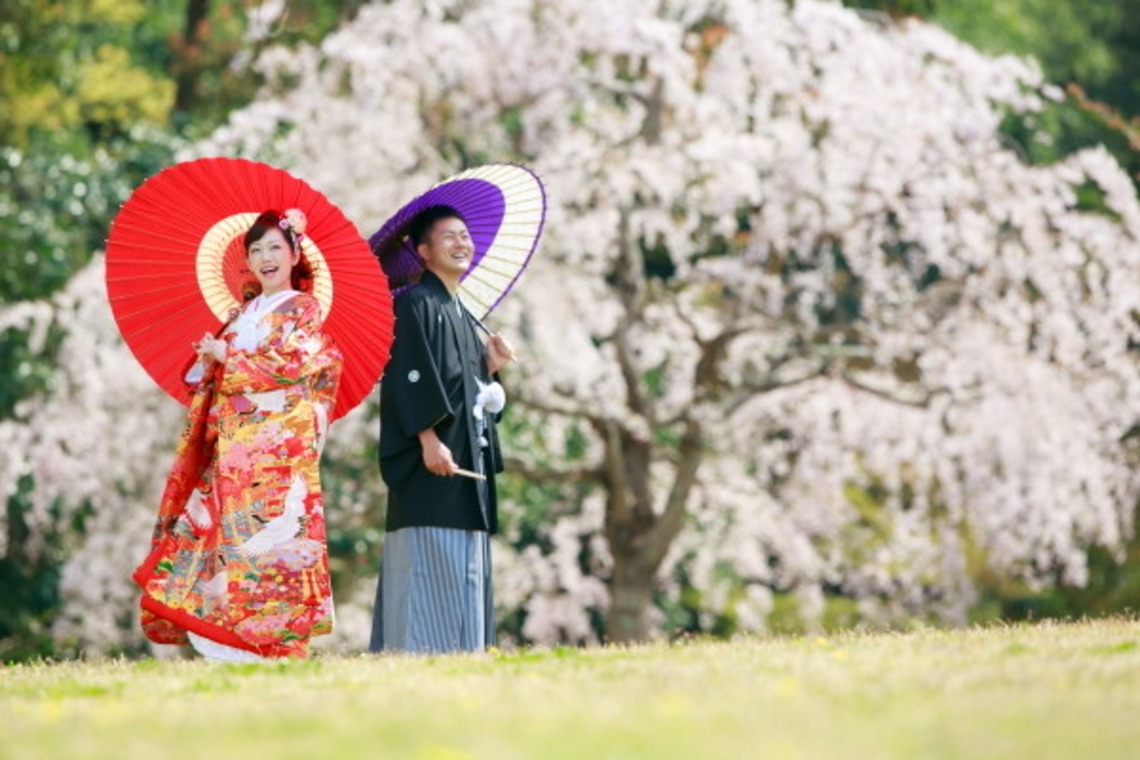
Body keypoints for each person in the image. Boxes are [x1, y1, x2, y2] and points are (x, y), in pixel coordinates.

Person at [133, 209, 344, 661]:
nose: (265, 258)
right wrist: (211, 358)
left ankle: (269, 642)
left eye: (274, 248)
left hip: (275, 453)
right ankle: (221, 638)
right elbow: (205, 375)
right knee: (210, 531)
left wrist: (229, 354)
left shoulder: (302, 309)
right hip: (232, 444)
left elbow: (293, 366)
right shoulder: (243, 311)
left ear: (293, 255)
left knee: (271, 542)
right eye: (255, 251)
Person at [370, 204, 515, 654]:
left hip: (465, 462)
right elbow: (404, 378)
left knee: (466, 559)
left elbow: (466, 394)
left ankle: (463, 650)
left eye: (465, 236)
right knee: (428, 560)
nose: (461, 243)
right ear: (423, 251)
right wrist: (428, 440)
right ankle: (419, 651)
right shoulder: (416, 304)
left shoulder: (459, 311)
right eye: (448, 237)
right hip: (432, 461)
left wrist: (489, 369)